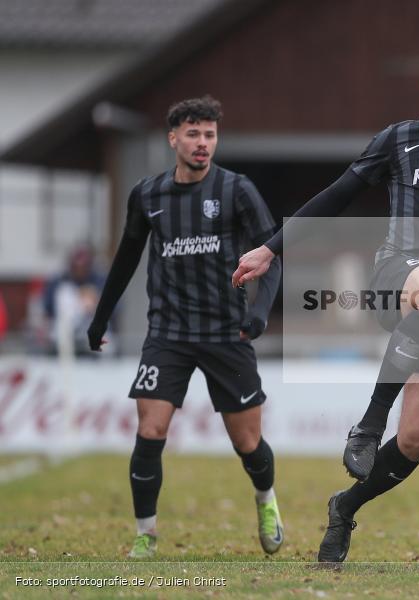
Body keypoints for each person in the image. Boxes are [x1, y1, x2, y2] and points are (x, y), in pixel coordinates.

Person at [231, 43, 419, 563]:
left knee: (415, 440)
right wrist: (271, 249)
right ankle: (368, 423)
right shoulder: (398, 138)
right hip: (400, 273)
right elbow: (336, 196)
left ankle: (345, 507)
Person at [86, 96, 284, 558]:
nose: (202, 143)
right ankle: (146, 534)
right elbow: (126, 258)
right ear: (173, 138)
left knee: (248, 442)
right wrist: (101, 317)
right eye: (193, 134)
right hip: (168, 335)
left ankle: (266, 500)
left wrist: (259, 314)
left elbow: (272, 257)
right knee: (150, 430)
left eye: (209, 135)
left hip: (226, 333)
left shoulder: (236, 190)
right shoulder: (147, 195)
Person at [42, 244, 106, 355]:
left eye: (83, 267)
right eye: (77, 267)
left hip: (94, 334)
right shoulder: (60, 283)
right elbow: (48, 309)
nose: (80, 270)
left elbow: (115, 309)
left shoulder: (99, 283)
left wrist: (93, 303)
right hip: (63, 337)